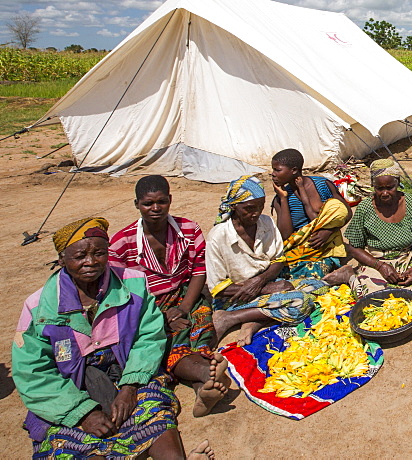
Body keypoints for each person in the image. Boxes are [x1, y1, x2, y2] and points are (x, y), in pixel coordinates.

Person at [13, 217, 213, 459]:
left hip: (129, 371)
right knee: (70, 441)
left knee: (156, 415)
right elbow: (33, 372)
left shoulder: (132, 283)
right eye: (79, 257)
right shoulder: (39, 307)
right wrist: (83, 413)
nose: (91, 262)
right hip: (71, 387)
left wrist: (130, 386)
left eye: (99, 253)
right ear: (61, 260)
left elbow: (148, 336)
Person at [109, 175, 229, 418]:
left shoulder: (188, 229)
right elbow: (120, 291)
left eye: (161, 202)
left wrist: (183, 308)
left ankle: (202, 385)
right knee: (167, 338)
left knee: (200, 325)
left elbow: (198, 271)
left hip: (185, 296)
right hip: (145, 305)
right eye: (147, 204)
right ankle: (206, 375)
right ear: (137, 204)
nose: (155, 209)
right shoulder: (122, 242)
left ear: (170, 200)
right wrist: (159, 316)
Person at [207, 176, 338, 345]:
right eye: (249, 208)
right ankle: (229, 317)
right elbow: (217, 288)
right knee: (301, 302)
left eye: (260, 207)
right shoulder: (218, 237)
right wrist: (265, 288)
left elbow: (278, 259)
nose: (256, 213)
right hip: (236, 296)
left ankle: (253, 319)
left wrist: (261, 280)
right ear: (234, 206)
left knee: (321, 287)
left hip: (267, 280)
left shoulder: (265, 222)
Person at [346, 159, 412, 298]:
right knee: (372, 296)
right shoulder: (365, 208)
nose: (385, 193)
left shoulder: (409, 201)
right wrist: (380, 266)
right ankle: (349, 276)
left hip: (406, 257)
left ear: (398, 183)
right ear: (373, 186)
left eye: (390, 187)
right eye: (379, 188)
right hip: (377, 260)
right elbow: (353, 247)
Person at [270, 148, 353, 279]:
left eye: (277, 170)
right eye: (273, 169)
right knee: (278, 269)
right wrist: (283, 199)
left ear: (294, 170)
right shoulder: (280, 199)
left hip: (326, 243)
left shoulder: (322, 185)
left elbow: (346, 213)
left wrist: (328, 231)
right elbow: (285, 235)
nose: (273, 174)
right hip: (301, 247)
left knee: (316, 270)